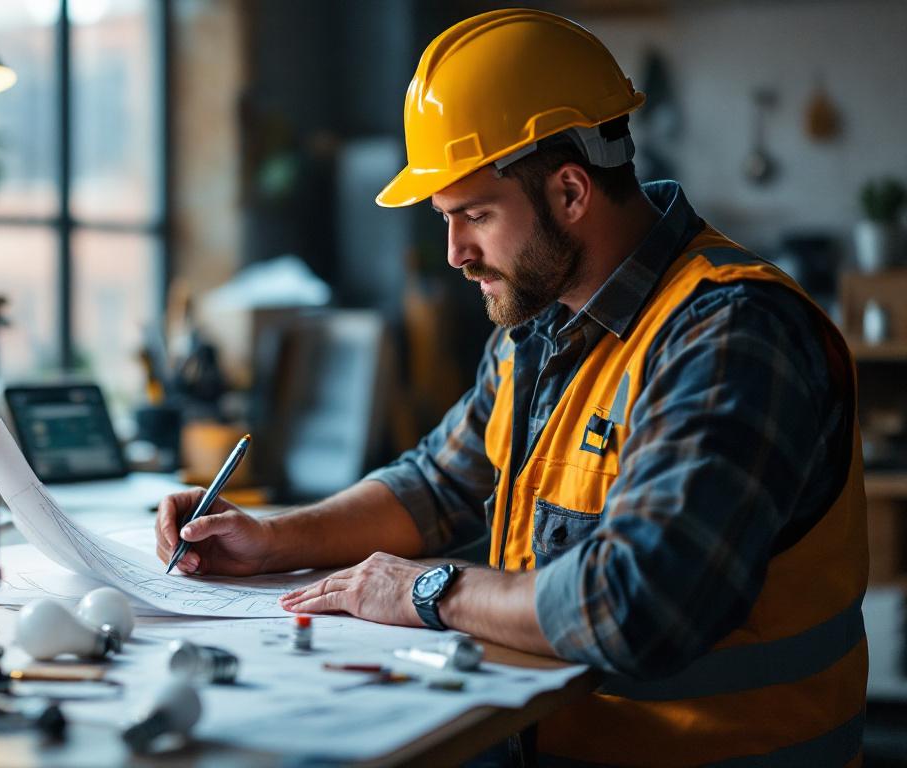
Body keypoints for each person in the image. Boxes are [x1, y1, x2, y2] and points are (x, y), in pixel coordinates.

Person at [154, 8, 868, 766]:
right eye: (445, 218)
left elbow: (638, 607)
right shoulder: (538, 329)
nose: (456, 253)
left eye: (476, 216)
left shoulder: (729, 334)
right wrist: (270, 540)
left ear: (569, 192)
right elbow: (436, 483)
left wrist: (429, 591)